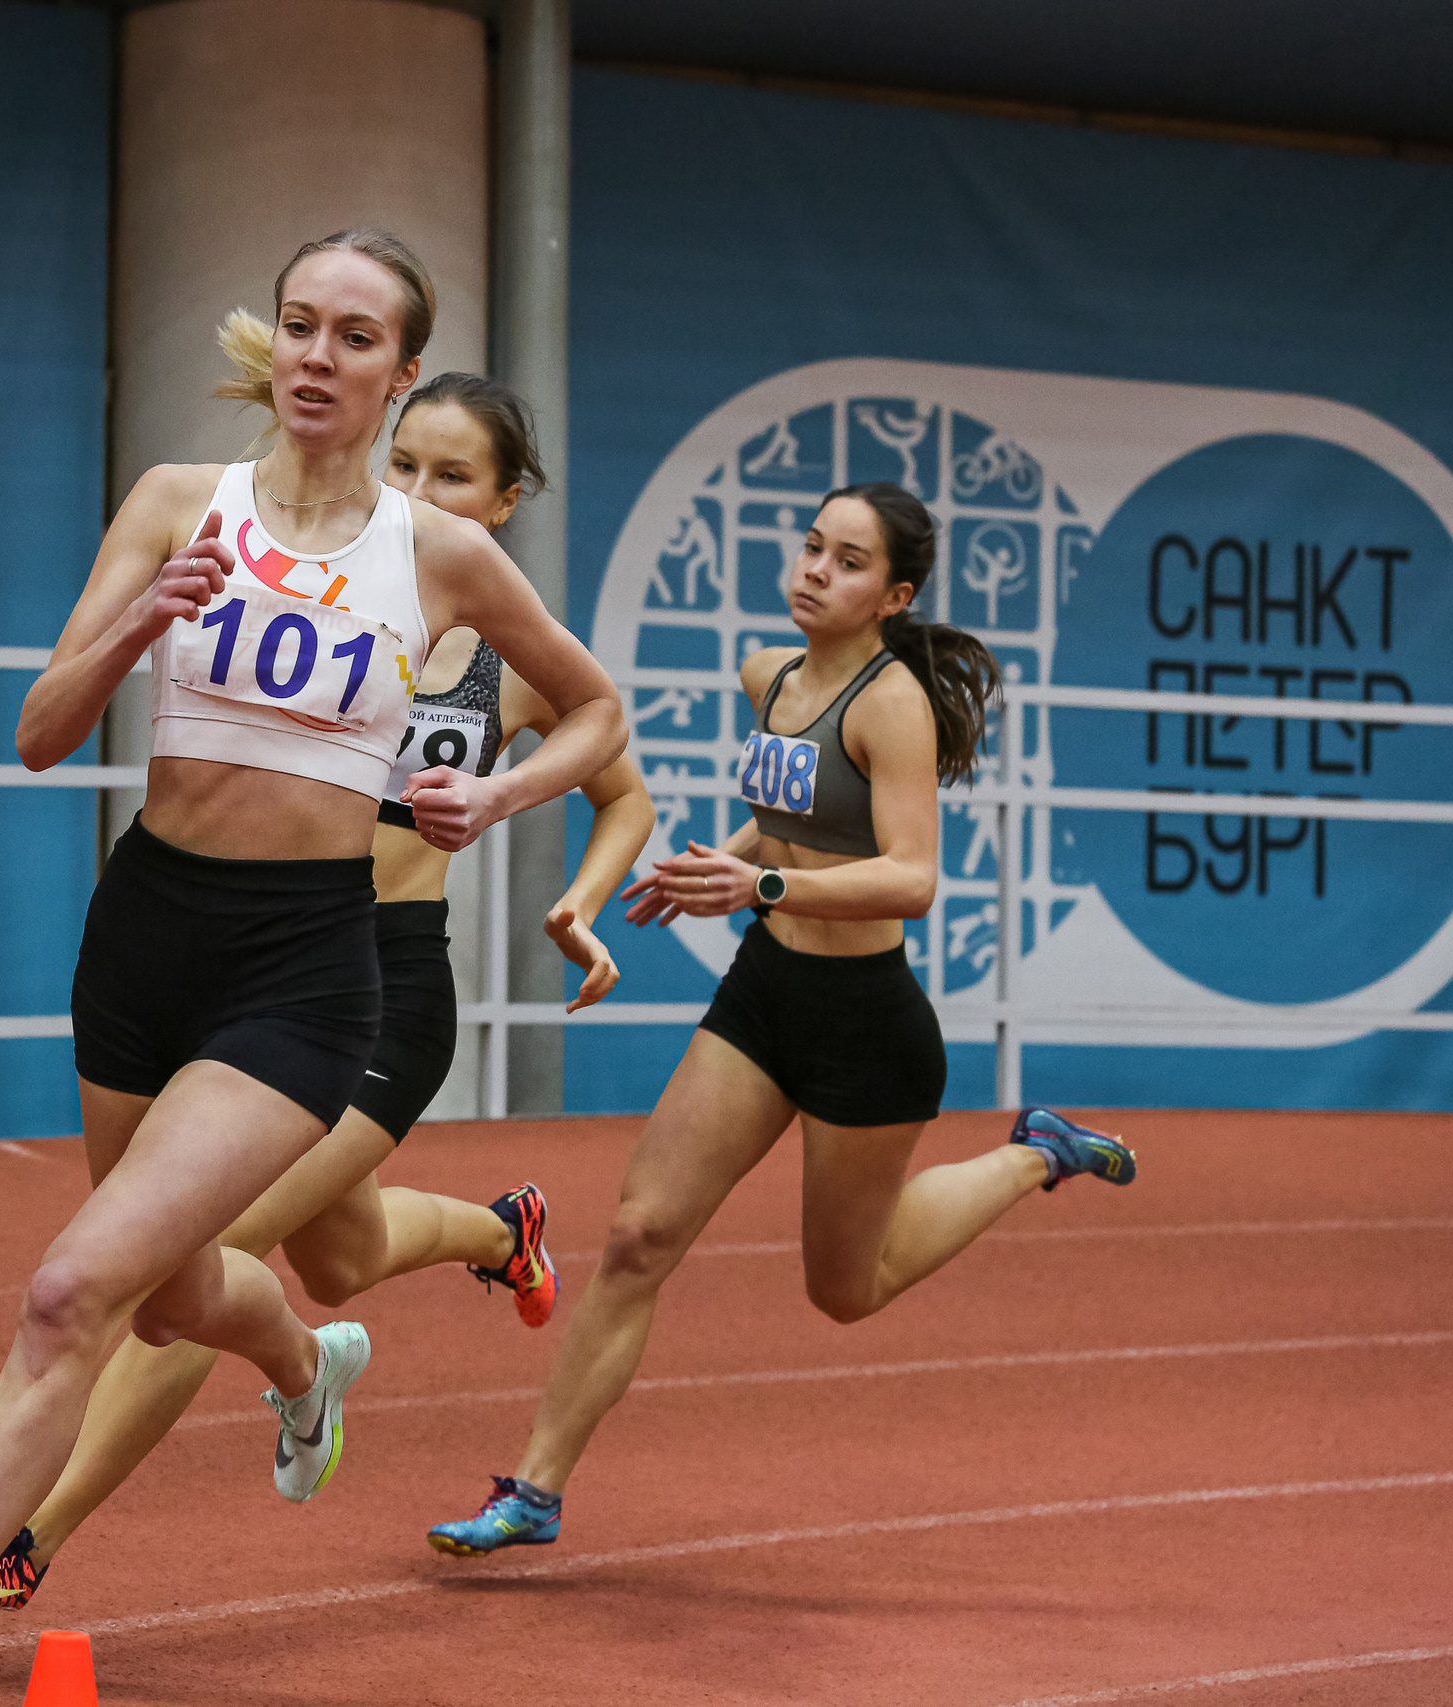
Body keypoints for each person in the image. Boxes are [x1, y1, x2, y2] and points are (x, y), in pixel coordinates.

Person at [0, 228, 626, 1707]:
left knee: (71, 1292)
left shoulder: (440, 557)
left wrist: (496, 795)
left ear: (399, 370)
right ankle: (307, 1364)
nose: (317, 355)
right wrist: (136, 622)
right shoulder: (180, 501)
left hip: (307, 964)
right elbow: (40, 733)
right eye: (299, 324)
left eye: (354, 336)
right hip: (146, 933)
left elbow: (599, 713)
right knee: (172, 1295)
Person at [0, 360, 657, 1620]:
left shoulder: (501, 648)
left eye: (454, 476)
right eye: (407, 463)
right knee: (341, 1261)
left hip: (381, 984)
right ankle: (502, 1233)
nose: (420, 489)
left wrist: (571, 891)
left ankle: (36, 1529)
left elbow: (622, 787)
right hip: (260, 962)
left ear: (502, 503)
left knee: (204, 1248)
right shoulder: (326, 597)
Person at [425, 482, 1136, 1558]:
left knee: (844, 1290)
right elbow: (791, 818)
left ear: (894, 595)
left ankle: (1034, 1153)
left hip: (865, 1026)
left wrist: (756, 886)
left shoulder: (893, 706)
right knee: (637, 1234)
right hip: (765, 996)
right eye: (811, 546)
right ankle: (535, 1490)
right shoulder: (768, 673)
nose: (815, 570)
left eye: (849, 562)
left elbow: (912, 878)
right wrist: (724, 859)